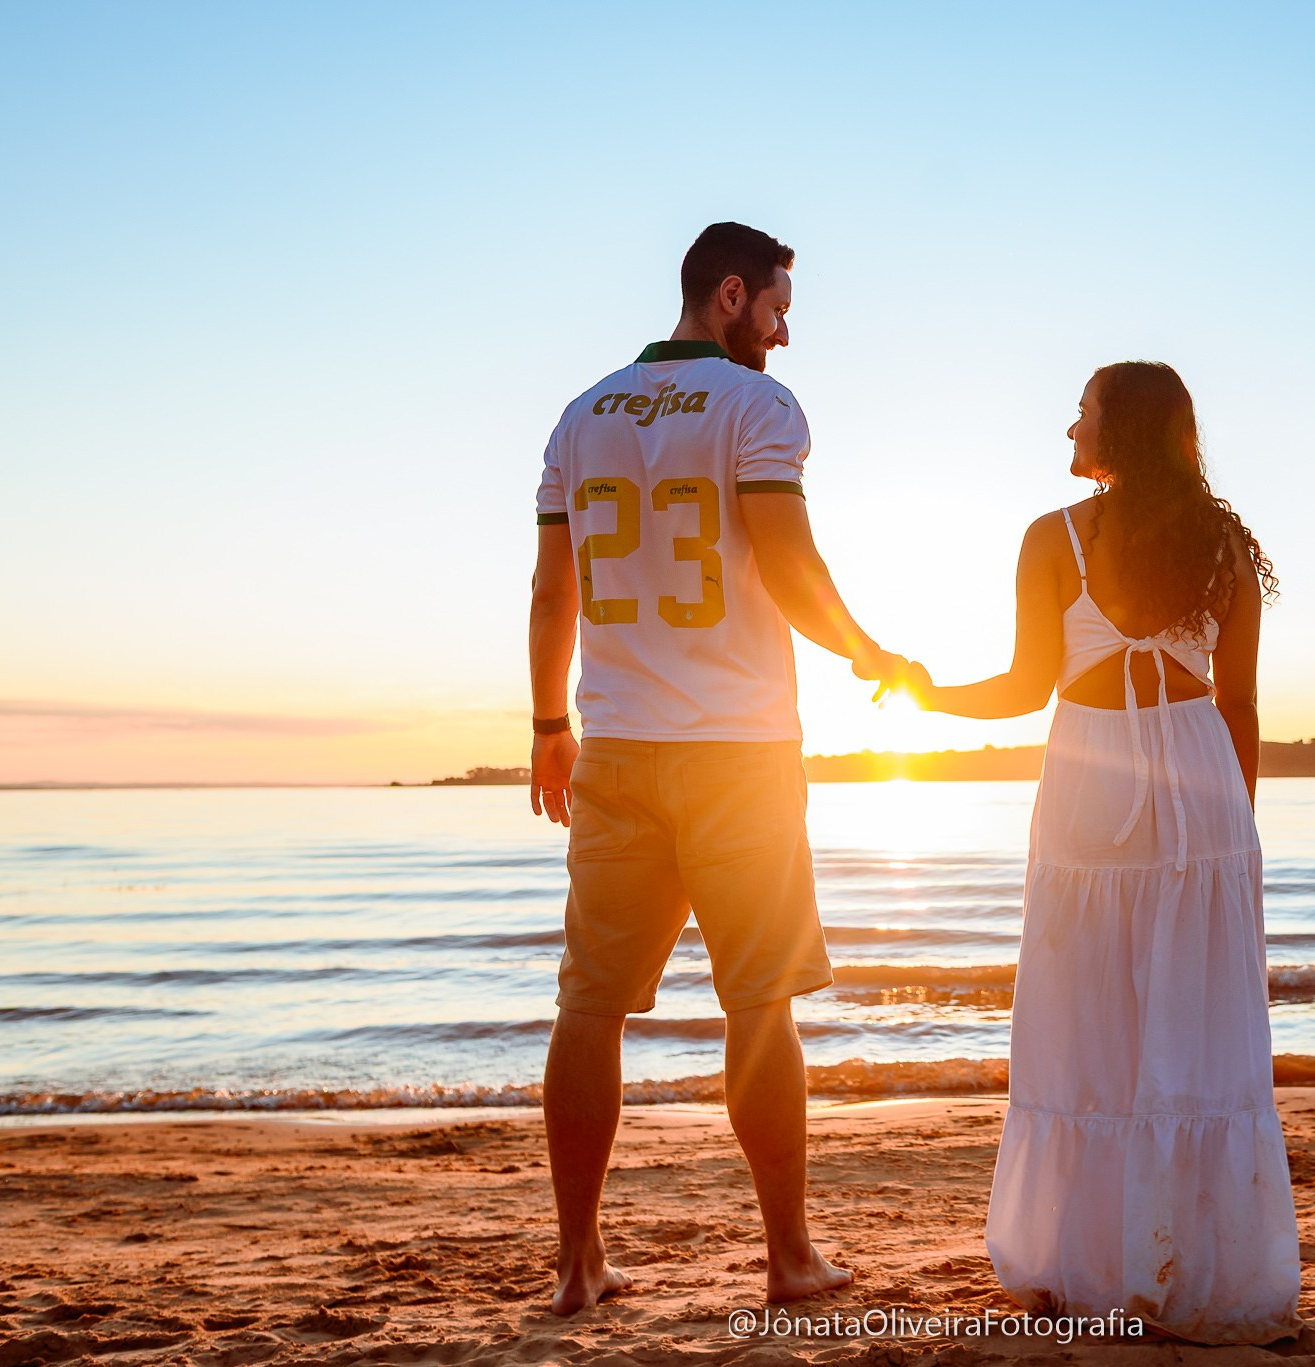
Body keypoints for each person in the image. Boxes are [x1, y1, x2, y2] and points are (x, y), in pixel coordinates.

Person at [526, 222, 898, 1313]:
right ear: (728, 294)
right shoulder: (756, 406)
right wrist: (869, 651)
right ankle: (788, 1256)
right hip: (737, 751)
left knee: (588, 1008)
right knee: (759, 1003)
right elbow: (785, 557)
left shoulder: (580, 412)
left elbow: (554, 592)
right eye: (777, 308)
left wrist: (549, 720)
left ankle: (577, 1262)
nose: (783, 335)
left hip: (620, 746)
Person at [903, 361, 1302, 1343]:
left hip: (1089, 776)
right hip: (1198, 783)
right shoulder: (1224, 542)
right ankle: (1180, 1259)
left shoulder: (1053, 537)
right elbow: (1239, 703)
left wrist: (924, 691)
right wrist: (1234, 833)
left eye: (1079, 413)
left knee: (1082, 1015)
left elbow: (1022, 683)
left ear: (1118, 431)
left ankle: (1076, 1258)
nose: (1066, 428)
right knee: (1188, 1022)